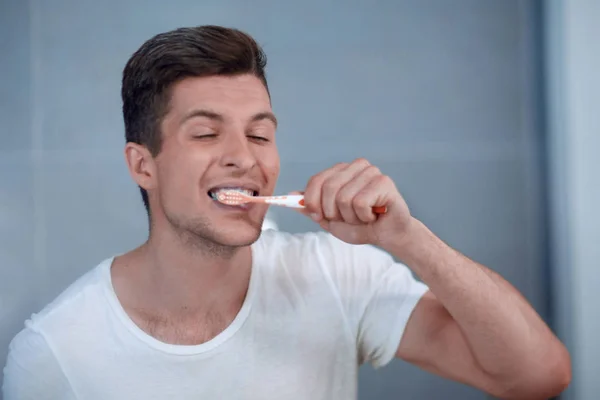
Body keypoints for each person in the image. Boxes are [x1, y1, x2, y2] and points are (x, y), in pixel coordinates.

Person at [2, 25, 570, 400]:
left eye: (259, 133)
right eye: (205, 133)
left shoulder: (335, 275)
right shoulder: (55, 354)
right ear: (141, 165)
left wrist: (410, 239)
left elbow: (538, 375)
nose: (243, 157)